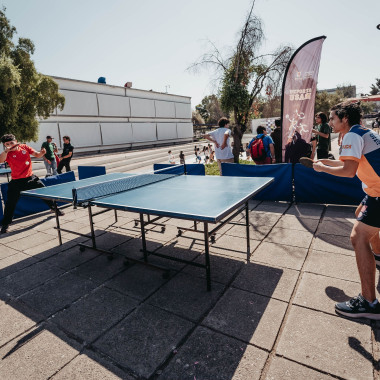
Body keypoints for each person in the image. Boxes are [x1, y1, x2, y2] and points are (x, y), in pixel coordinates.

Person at [312, 101, 380, 319]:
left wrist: (322, 168)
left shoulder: (351, 135)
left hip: (379, 192)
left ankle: (368, 303)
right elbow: (352, 164)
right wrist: (325, 162)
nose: (330, 122)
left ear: (345, 119)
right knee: (363, 220)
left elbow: (349, 171)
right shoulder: (364, 132)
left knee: (358, 236)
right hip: (374, 191)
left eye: (333, 118)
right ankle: (378, 258)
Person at [0, 134, 64, 234]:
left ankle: (54, 208)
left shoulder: (24, 147)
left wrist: (42, 153)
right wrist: (6, 151)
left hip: (31, 178)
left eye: (11, 143)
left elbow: (37, 155)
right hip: (16, 181)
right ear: (5, 145)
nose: (10, 145)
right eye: (7, 144)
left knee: (45, 193)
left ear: (16, 141)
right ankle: (5, 225)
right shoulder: (6, 153)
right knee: (10, 203)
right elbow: (1, 160)